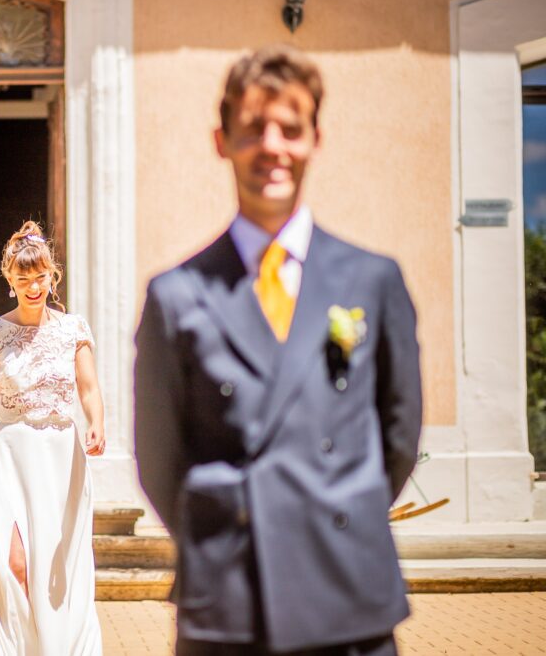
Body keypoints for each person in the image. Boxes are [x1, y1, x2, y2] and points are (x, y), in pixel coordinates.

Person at [134, 45, 423, 655]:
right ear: (222, 139)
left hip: (348, 596)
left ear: (315, 138)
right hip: (230, 598)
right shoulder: (176, 295)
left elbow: (398, 440)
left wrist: (331, 517)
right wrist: (223, 533)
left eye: (290, 129)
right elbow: (159, 460)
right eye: (253, 128)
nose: (272, 146)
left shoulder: (373, 280)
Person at [0, 220, 106, 656]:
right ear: (9, 280)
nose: (33, 287)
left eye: (40, 277)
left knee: (59, 574)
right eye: (23, 279)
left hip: (61, 457)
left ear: (52, 275)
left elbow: (90, 388)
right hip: (10, 457)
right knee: (13, 564)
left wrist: (97, 420)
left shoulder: (72, 329)